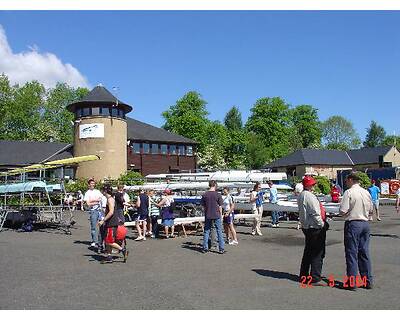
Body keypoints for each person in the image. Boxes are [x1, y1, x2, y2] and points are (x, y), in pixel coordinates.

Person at [339, 172, 374, 290]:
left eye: (346, 180)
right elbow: (371, 210)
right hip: (365, 223)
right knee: (364, 252)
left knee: (351, 253)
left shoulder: (348, 192)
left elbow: (343, 210)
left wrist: (342, 214)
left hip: (353, 223)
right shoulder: (366, 192)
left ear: (350, 180)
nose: (346, 183)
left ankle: (352, 282)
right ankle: (368, 280)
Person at [298, 176, 326, 285]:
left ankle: (304, 275)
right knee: (317, 253)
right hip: (314, 226)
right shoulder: (309, 196)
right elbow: (314, 212)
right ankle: (315, 277)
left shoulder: (301, 195)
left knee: (308, 252)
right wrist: (321, 224)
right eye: (312, 184)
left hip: (306, 226)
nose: (314, 186)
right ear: (309, 185)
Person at [98, 184, 128, 263]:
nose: (101, 192)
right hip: (110, 222)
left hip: (111, 223)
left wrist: (103, 220)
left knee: (109, 241)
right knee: (107, 240)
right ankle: (109, 256)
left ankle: (123, 250)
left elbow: (111, 212)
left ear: (105, 191)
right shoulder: (110, 198)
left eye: (102, 190)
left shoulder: (110, 199)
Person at [201, 180, 225, 254]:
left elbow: (203, 207)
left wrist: (206, 212)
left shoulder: (205, 194)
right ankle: (221, 248)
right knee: (219, 231)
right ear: (215, 185)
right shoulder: (218, 195)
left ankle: (205, 248)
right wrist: (221, 215)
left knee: (206, 231)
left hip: (208, 214)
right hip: (216, 214)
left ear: (209, 185)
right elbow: (220, 206)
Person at [83, 179, 103, 249]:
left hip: (100, 210)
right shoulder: (87, 193)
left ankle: (101, 241)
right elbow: (88, 204)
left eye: (93, 183)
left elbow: (101, 198)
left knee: (102, 226)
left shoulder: (97, 191)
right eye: (91, 183)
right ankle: (94, 241)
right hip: (93, 211)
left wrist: (92, 201)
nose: (93, 185)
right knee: (93, 227)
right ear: (89, 184)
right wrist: (96, 201)